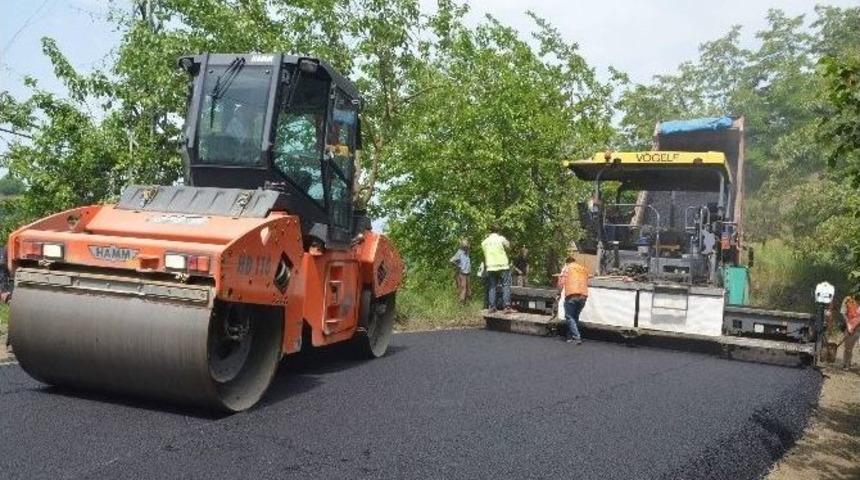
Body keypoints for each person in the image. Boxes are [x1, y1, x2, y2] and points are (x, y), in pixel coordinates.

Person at [557, 246, 590, 344]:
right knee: (575, 317)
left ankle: (576, 337)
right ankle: (569, 336)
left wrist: (558, 293)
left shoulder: (567, 268)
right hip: (583, 296)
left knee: (569, 317)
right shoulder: (583, 268)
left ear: (567, 262)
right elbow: (588, 278)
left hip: (572, 294)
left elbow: (561, 282)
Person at [481, 224, 513, 314]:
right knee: (506, 285)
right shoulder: (501, 238)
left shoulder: (484, 242)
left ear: (490, 231)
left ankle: (492, 307)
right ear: (499, 231)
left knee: (492, 286)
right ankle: (506, 306)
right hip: (502, 265)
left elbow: (485, 253)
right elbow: (508, 247)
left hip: (491, 266)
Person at [839, 294, 860, 370]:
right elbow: (843, 313)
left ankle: (846, 364)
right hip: (851, 327)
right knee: (848, 348)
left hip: (857, 328)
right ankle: (846, 364)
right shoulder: (848, 300)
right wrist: (849, 325)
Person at [449, 239, 471, 304]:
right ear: (462, 246)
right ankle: (461, 303)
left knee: (468, 289)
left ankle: (466, 303)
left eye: (466, 245)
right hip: (462, 273)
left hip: (467, 272)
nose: (466, 246)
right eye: (465, 245)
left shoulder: (467, 252)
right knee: (463, 288)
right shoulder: (459, 252)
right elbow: (451, 260)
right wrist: (458, 265)